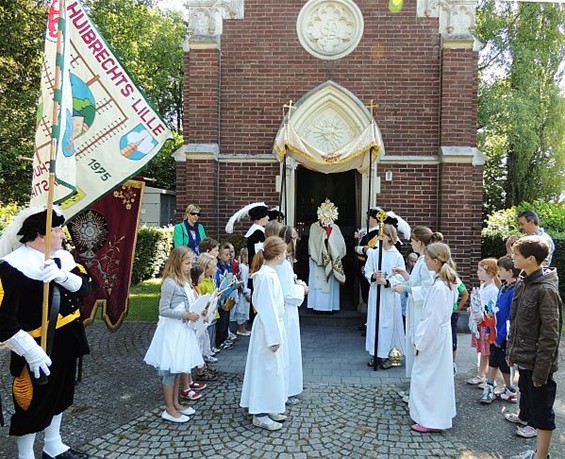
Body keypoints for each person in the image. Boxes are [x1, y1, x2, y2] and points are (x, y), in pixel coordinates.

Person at [0, 207, 91, 459]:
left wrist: (62, 276)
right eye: (57, 229)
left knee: (61, 395)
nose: (62, 234)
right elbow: (3, 323)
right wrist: (32, 353)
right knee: (32, 403)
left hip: (68, 338)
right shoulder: (11, 267)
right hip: (35, 345)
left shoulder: (62, 257)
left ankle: (53, 445)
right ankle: (26, 454)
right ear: (41, 234)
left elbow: (84, 290)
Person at [508, 236, 562, 459]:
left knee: (542, 414)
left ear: (530, 259)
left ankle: (541, 457)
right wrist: (512, 351)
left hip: (539, 365)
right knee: (532, 410)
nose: (512, 257)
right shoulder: (523, 280)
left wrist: (541, 372)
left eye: (516, 254)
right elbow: (517, 320)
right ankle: (538, 453)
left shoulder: (546, 290)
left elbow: (550, 335)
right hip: (525, 360)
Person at [143, 246, 206, 422]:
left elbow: (188, 304)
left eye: (191, 262)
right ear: (177, 262)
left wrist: (199, 312)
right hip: (172, 332)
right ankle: (169, 409)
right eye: (187, 263)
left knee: (178, 368)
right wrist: (186, 315)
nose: (189, 266)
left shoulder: (184, 281)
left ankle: (176, 403)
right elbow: (163, 310)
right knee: (170, 370)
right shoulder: (170, 283)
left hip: (182, 330)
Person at [240, 236, 289, 431]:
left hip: (273, 324)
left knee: (273, 370)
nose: (286, 254)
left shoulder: (271, 273)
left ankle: (269, 405)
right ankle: (259, 413)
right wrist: (273, 337)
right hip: (268, 328)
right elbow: (267, 308)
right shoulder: (265, 277)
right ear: (277, 255)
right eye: (284, 251)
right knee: (264, 369)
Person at [409, 242, 458, 433]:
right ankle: (437, 414)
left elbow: (433, 319)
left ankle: (430, 418)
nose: (425, 261)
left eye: (428, 259)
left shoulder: (439, 287)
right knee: (438, 377)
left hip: (434, 336)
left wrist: (420, 342)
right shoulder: (447, 281)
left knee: (426, 376)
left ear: (436, 261)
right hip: (440, 335)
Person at [392, 226, 442, 379]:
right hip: (415, 307)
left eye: (412, 241)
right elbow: (416, 282)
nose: (410, 243)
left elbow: (427, 289)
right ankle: (414, 386)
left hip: (421, 310)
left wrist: (405, 289)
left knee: (417, 344)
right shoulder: (421, 260)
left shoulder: (426, 262)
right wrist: (404, 274)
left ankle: (418, 386)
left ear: (419, 242)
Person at [364, 224, 406, 369]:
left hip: (389, 296)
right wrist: (373, 276)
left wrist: (388, 281)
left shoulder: (397, 256)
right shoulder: (374, 254)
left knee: (388, 324)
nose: (380, 237)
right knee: (375, 322)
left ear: (390, 237)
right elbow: (367, 270)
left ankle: (390, 354)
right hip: (376, 293)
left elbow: (401, 277)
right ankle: (375, 354)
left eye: (383, 234)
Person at [480, 255, 519, 404]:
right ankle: (490, 386)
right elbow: (494, 311)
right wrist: (490, 331)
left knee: (503, 363)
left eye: (501, 269)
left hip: (504, 335)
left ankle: (509, 388)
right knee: (494, 360)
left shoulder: (514, 290)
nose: (498, 272)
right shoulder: (503, 287)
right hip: (495, 331)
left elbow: (510, 316)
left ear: (510, 272)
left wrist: (500, 336)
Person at [278, 225, 308, 404]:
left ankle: (291, 386)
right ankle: (286, 390)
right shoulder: (283, 264)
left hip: (289, 311)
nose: (297, 240)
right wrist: (302, 289)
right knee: (287, 351)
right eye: (295, 237)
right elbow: (288, 294)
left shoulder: (286, 262)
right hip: (286, 311)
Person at [307, 199, 346, 312]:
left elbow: (340, 244)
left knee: (331, 284)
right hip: (317, 260)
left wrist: (330, 235)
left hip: (332, 261)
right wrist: (323, 236)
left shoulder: (335, 228)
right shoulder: (314, 227)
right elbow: (312, 242)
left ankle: (331, 306)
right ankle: (317, 306)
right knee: (318, 282)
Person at [467, 258, 501, 387]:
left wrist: (482, 315)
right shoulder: (483, 286)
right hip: (480, 324)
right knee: (483, 351)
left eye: (480, 270)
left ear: (489, 272)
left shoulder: (493, 290)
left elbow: (491, 308)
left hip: (486, 325)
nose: (477, 272)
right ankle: (481, 375)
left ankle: (486, 377)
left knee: (487, 351)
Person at [451, 277, 469, 375]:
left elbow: (465, 294)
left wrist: (457, 309)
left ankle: (452, 362)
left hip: (451, 313)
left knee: (452, 336)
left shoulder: (455, 279)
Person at [234, 248, 252, 337]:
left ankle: (243, 328)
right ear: (244, 257)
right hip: (243, 292)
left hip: (245, 290)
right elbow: (243, 280)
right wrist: (246, 293)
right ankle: (240, 328)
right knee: (241, 310)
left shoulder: (246, 266)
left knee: (245, 309)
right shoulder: (243, 267)